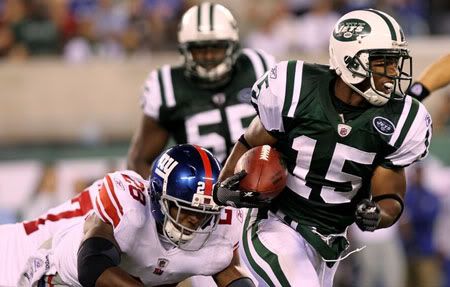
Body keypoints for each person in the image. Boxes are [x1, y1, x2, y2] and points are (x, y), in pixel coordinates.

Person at [213, 9, 432, 287]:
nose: (393, 72)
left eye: (395, 62)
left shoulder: (400, 119)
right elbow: (250, 141)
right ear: (350, 59)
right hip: (273, 225)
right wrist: (224, 184)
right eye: (383, 62)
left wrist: (379, 215)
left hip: (328, 244)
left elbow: (390, 194)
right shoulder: (294, 88)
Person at [0, 144, 254, 287]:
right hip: (46, 276)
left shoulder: (222, 230)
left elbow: (230, 274)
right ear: (157, 198)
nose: (193, 220)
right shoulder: (129, 204)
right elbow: (92, 265)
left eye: (202, 213)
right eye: (185, 209)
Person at [127, 2, 275, 177]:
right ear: (185, 50)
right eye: (199, 49)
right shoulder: (167, 85)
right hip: (203, 193)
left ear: (232, 46)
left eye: (216, 48)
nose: (208, 56)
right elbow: (139, 160)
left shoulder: (258, 66)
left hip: (261, 180)